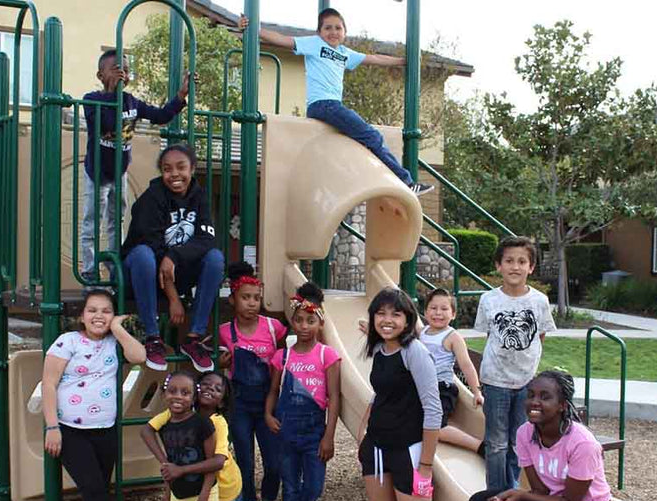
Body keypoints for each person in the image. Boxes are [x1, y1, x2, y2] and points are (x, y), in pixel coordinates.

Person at [238, 9, 433, 196]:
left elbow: (374, 58)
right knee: (372, 137)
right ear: (319, 32)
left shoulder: (344, 53)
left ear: (345, 32)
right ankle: (406, 182)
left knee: (363, 139)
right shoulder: (313, 44)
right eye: (328, 28)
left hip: (331, 107)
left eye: (338, 28)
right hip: (324, 105)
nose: (333, 32)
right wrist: (254, 28)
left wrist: (402, 61)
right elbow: (282, 39)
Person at [41, 289, 147, 501]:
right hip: (71, 430)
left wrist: (118, 329)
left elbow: (140, 357)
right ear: (82, 316)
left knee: (102, 490)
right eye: (92, 310)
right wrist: (52, 426)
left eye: (106, 311)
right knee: (94, 491)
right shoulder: (68, 341)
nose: (98, 316)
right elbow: (48, 384)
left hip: (106, 430)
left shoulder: (114, 342)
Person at [463, 370, 612, 501]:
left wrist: (520, 496)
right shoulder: (525, 433)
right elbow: (539, 490)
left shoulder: (583, 444)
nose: (534, 401)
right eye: (531, 395)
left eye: (545, 397)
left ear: (562, 405)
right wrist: (514, 497)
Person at [80, 49, 191, 282]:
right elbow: (104, 123)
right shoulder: (92, 100)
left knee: (116, 221)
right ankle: (90, 271)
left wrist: (180, 96)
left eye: (127, 70)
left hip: (119, 170)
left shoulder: (132, 102)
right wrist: (113, 93)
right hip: (96, 172)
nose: (123, 74)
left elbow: (160, 116)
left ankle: (113, 270)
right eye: (117, 69)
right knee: (92, 221)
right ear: (101, 75)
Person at [121, 144, 224, 372]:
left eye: (181, 167)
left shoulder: (199, 196)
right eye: (167, 169)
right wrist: (173, 298)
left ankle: (194, 337)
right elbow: (152, 247)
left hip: (175, 271)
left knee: (215, 258)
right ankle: (153, 337)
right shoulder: (151, 199)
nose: (174, 174)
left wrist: (174, 256)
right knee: (144, 255)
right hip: (142, 274)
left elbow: (206, 239)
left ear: (193, 169)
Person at [258, 283, 342, 501]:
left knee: (313, 488)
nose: (304, 326)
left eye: (310, 321)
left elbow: (335, 397)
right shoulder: (282, 356)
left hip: (313, 433)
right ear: (292, 322)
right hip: (285, 433)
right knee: (291, 488)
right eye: (299, 320)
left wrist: (329, 436)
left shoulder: (327, 355)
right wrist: (268, 415)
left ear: (320, 323)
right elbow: (273, 390)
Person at [358, 287, 442, 501]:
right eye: (380, 313)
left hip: (409, 453)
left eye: (395, 314)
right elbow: (380, 395)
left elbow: (433, 409)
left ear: (408, 320)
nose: (387, 320)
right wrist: (363, 437)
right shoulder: (381, 349)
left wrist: (426, 466)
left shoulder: (414, 351)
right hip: (377, 449)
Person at [475, 236, 556, 491]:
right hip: (495, 380)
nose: (515, 267)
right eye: (509, 260)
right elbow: (491, 337)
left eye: (522, 261)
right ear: (498, 265)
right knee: (496, 442)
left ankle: (511, 489)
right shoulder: (488, 300)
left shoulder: (539, 301)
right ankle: (495, 493)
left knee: (518, 440)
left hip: (526, 383)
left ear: (531, 267)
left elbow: (539, 337)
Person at [216, 261, 286, 501]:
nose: (252, 303)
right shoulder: (225, 332)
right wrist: (220, 364)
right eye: (245, 298)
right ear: (233, 299)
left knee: (275, 463)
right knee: (243, 463)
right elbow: (215, 366)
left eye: (256, 298)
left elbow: (287, 356)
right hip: (240, 405)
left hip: (269, 403)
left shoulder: (274, 328)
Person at [140, 372, 224, 501]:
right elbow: (170, 467)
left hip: (205, 494)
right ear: (164, 394)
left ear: (194, 397)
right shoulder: (165, 426)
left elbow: (213, 464)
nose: (177, 396)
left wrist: (203, 499)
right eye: (172, 391)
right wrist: (166, 497)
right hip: (179, 496)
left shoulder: (203, 424)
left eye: (185, 393)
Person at [420, 288, 487, 456]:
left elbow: (466, 365)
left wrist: (476, 391)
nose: (438, 313)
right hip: (421, 389)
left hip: (442, 389)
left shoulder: (452, 337)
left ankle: (479, 446)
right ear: (425, 312)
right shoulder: (421, 333)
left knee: (435, 427)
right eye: (433, 308)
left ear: (453, 314)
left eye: (444, 309)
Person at [195, 371, 244, 501]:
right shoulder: (188, 417)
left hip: (227, 489)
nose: (210, 389)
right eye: (206, 384)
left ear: (222, 401)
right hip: (206, 490)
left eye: (217, 389)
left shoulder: (218, 422)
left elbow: (218, 462)